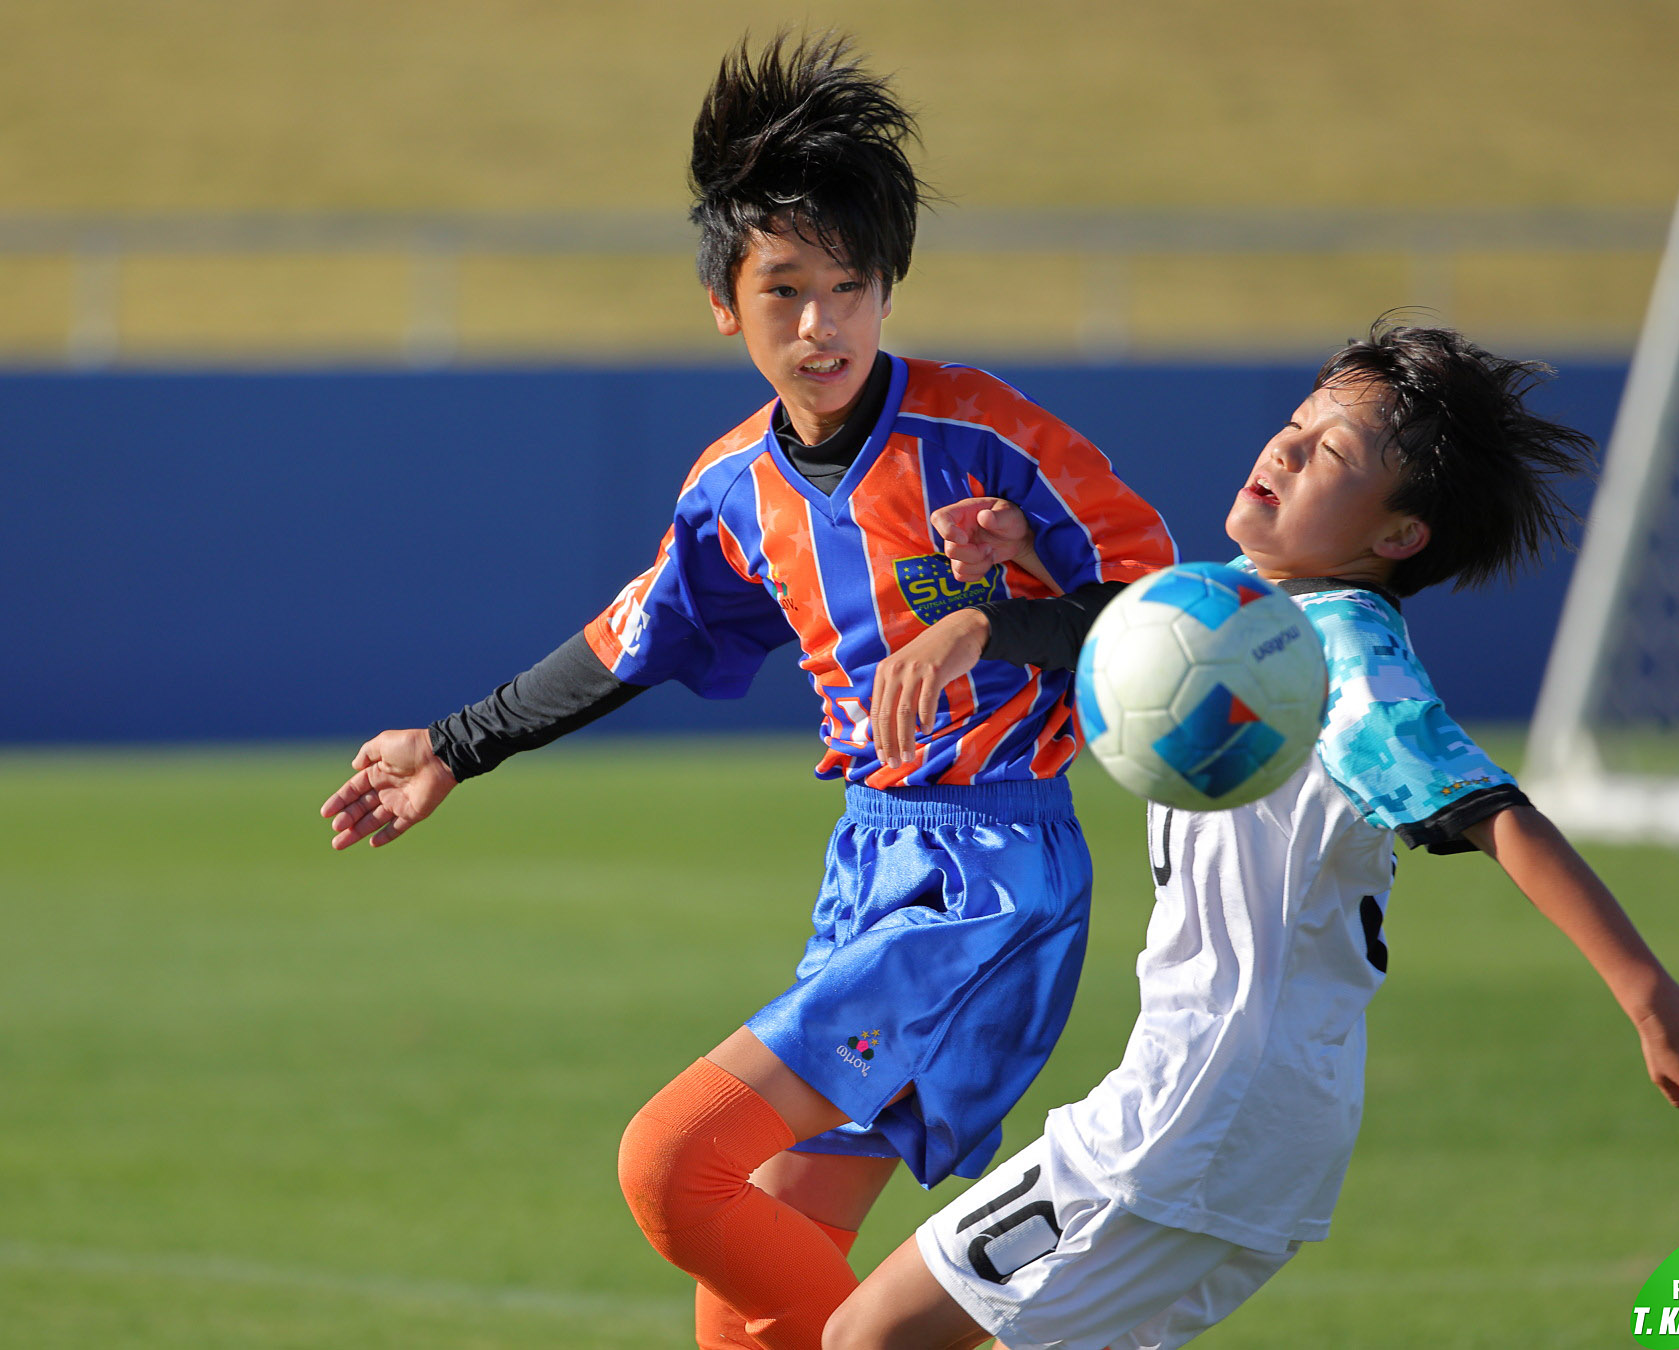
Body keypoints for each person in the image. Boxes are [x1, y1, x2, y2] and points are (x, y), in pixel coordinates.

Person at [318, 32, 1175, 1350]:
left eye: (849, 286)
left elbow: (1170, 629)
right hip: (869, 873)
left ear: (890, 288)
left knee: (674, 1165)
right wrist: (453, 742)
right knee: (749, 1296)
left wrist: (990, 620)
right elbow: (632, 634)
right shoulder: (735, 489)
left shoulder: (988, 438)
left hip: (993, 879)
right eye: (785, 290)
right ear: (728, 301)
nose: (820, 323)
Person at [822, 322, 1679, 1350]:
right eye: (1295, 423)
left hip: (1194, 1108)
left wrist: (1650, 997)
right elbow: (1133, 633)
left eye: (1332, 454)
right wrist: (1029, 567)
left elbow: (1493, 813)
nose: (1285, 448)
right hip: (1261, 1113)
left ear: (1399, 535)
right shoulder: (1248, 608)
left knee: (870, 1336)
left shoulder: (1340, 652)